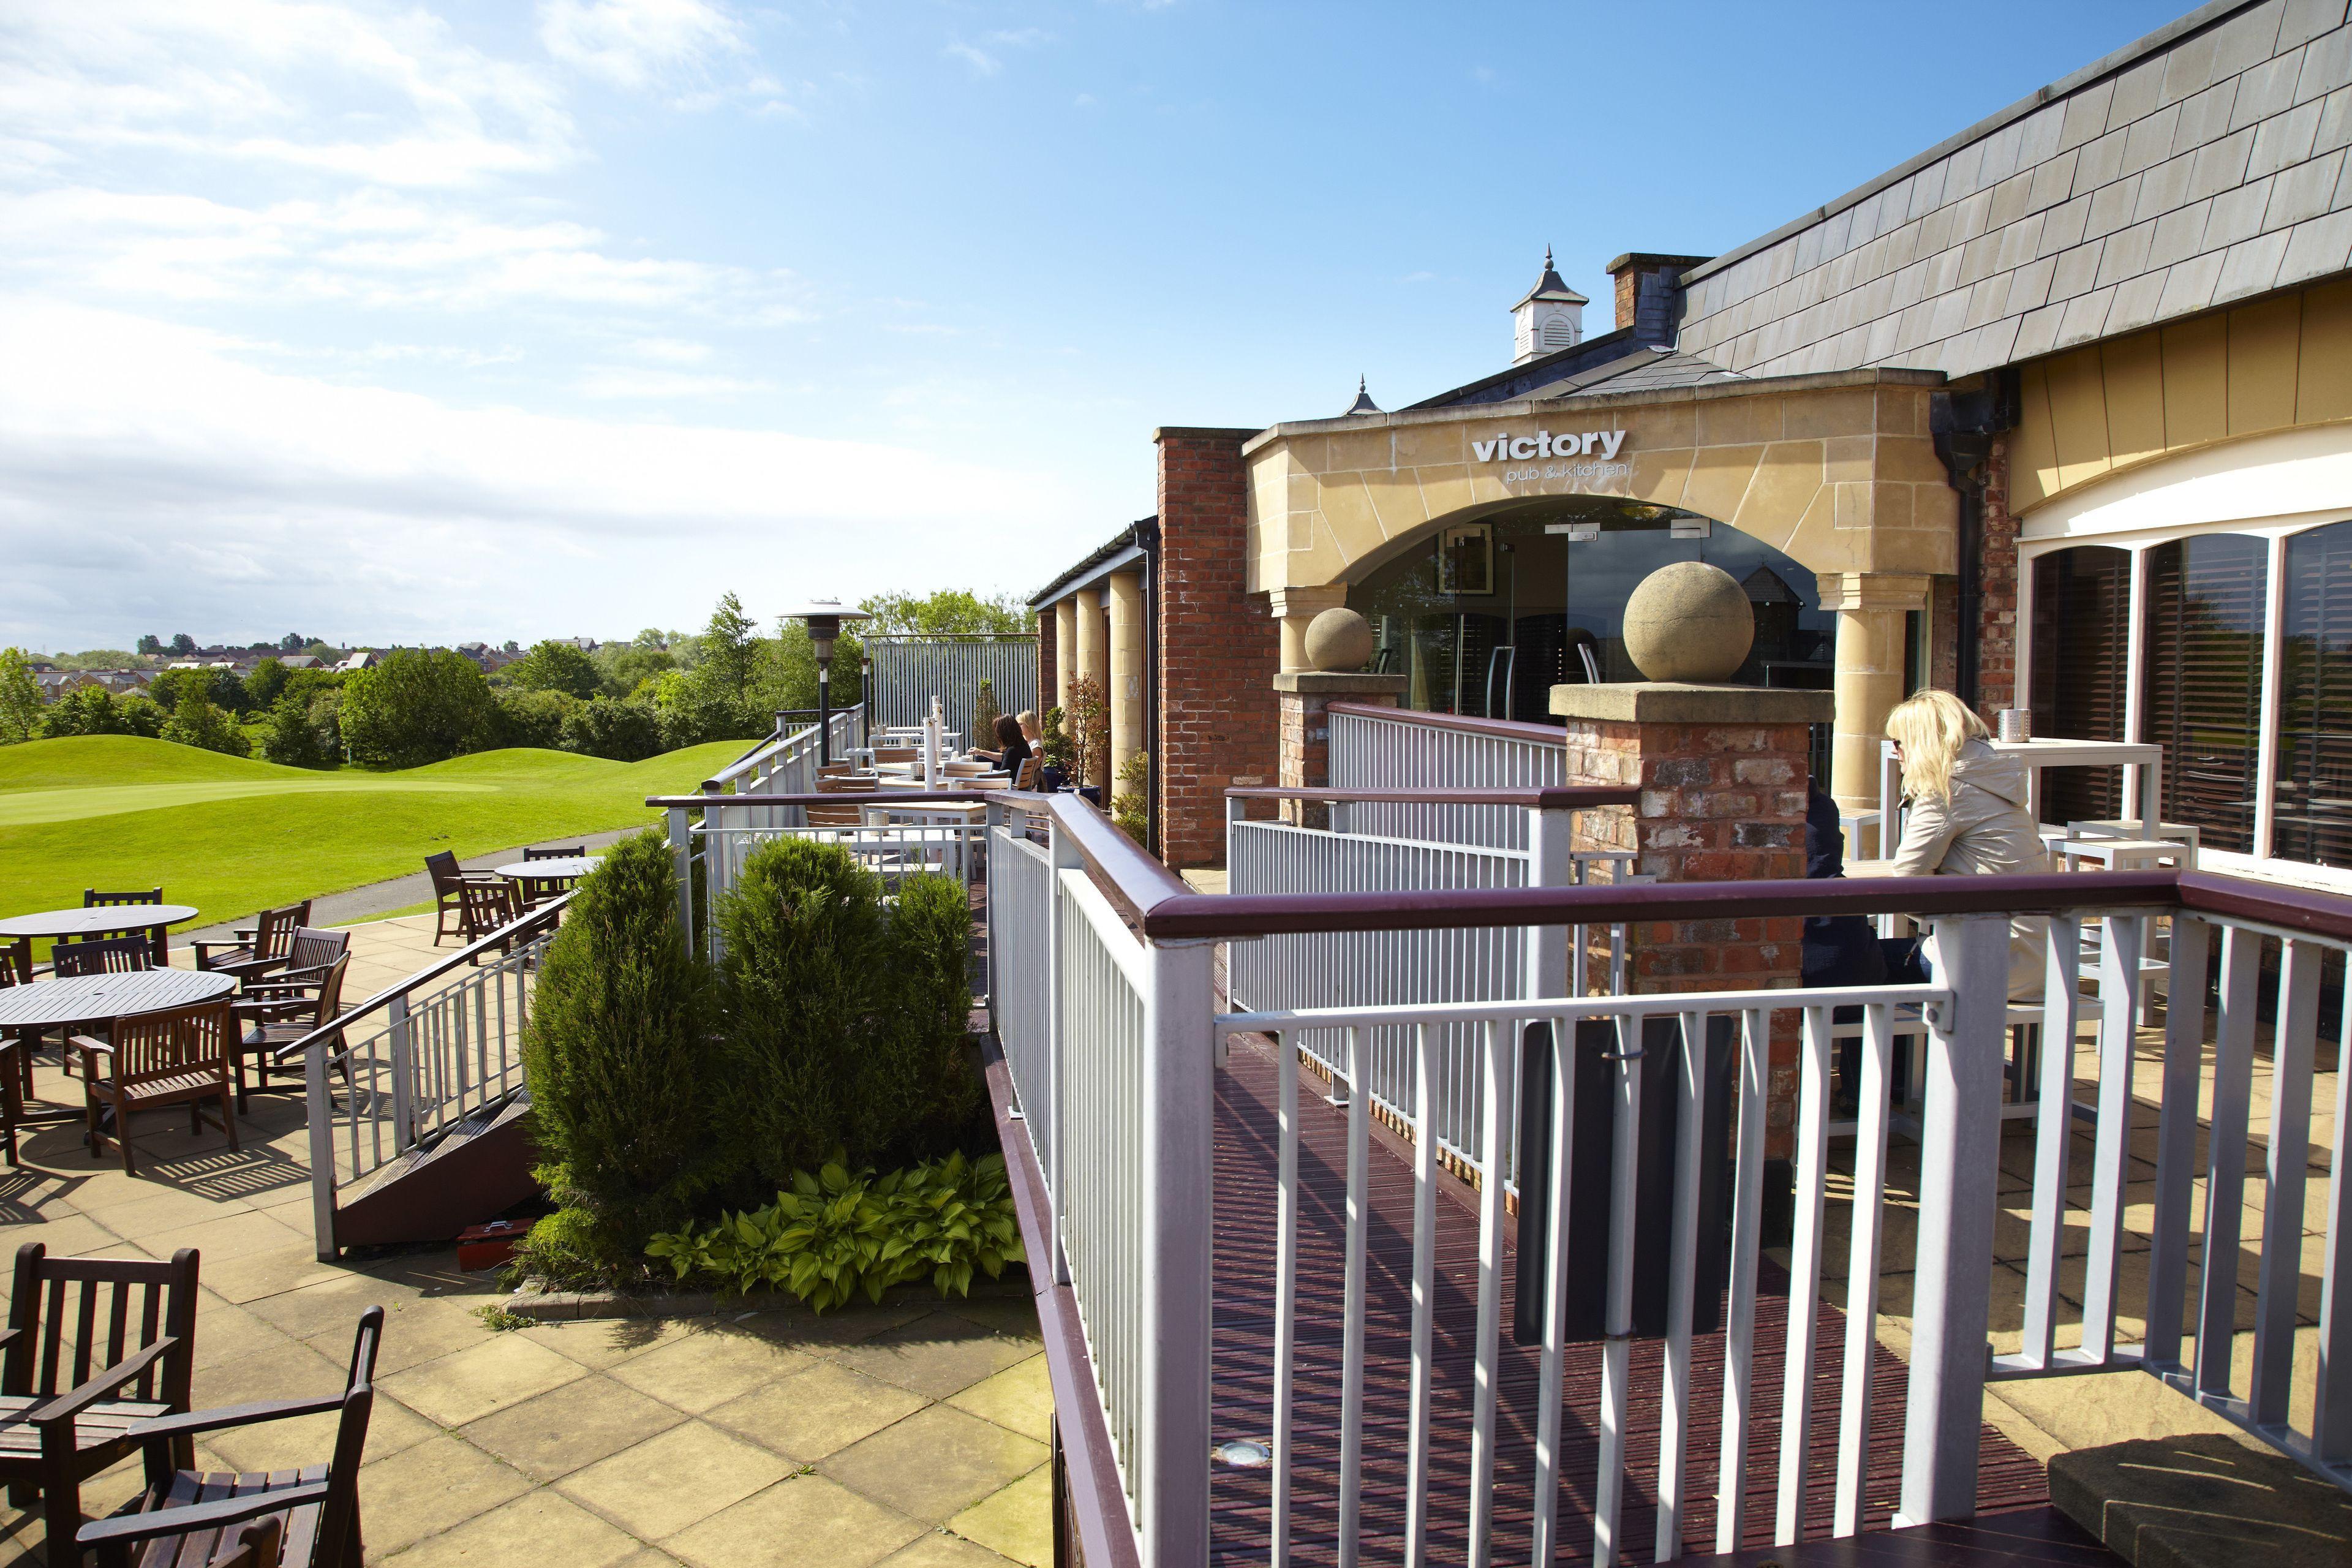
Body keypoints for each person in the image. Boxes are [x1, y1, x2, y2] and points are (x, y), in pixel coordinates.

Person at [1882, 688, 2047, 1000]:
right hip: (2034, 962)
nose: (1895, 752)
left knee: (1853, 962)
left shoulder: (1946, 791)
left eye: (1898, 742)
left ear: (1921, 743)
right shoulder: (1993, 778)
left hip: (1989, 963)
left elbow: (1906, 886)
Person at [973, 713, 1033, 780]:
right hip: (1018, 785)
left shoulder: (1012, 751)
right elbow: (1003, 757)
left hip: (1008, 786)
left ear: (1004, 733)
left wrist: (977, 777)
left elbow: (1002, 777)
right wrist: (980, 752)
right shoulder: (1024, 746)